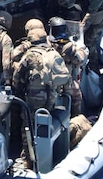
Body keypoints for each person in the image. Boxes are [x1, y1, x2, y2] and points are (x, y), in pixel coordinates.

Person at [12, 27, 70, 168]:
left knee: (28, 125)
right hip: (51, 95)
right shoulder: (52, 52)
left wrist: (17, 90)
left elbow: (17, 76)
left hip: (34, 97)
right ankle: (44, 153)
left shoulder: (30, 55)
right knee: (43, 122)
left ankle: (28, 159)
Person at [48, 16, 86, 116]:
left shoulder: (48, 44)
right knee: (77, 94)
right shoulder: (68, 47)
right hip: (65, 83)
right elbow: (79, 60)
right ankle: (76, 117)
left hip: (49, 82)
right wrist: (82, 50)